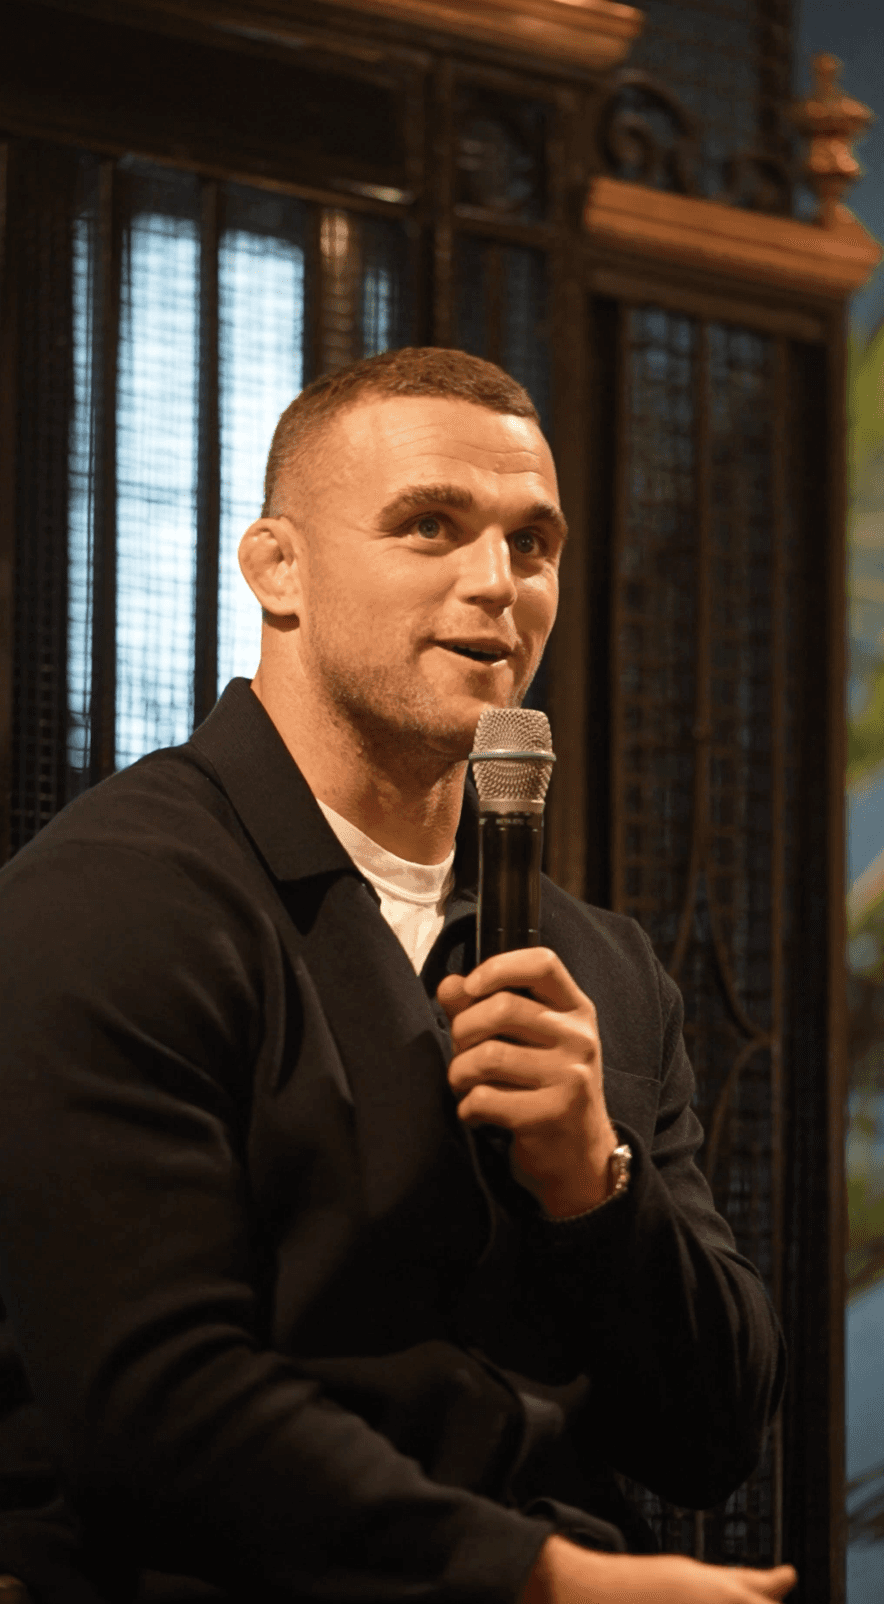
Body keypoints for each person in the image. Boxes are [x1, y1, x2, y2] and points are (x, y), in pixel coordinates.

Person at [0, 347, 796, 1604]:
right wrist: (533, 1576)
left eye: (531, 543)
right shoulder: (114, 897)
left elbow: (713, 1435)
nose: (496, 582)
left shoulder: (600, 966)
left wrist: (593, 1185)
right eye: (429, 525)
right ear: (276, 567)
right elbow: (150, 1397)